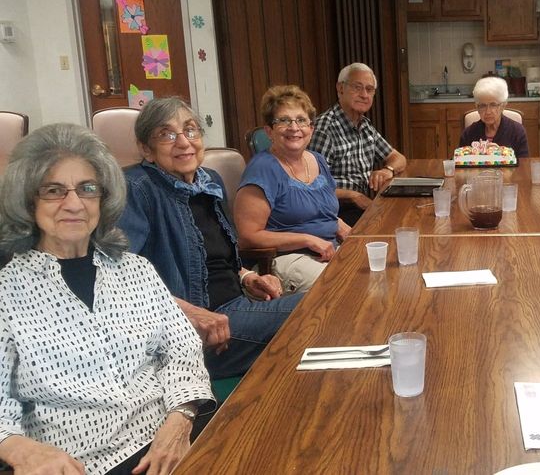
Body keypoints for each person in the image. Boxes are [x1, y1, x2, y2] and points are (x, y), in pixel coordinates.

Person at [0, 123, 213, 475]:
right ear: (28, 200)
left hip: (172, 441)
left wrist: (181, 418)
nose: (73, 203)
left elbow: (182, 352)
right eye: (53, 190)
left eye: (88, 189)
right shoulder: (7, 292)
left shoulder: (136, 270)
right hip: (85, 463)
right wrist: (21, 450)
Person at [119, 97, 302, 380]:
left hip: (236, 309)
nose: (184, 142)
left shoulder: (209, 182)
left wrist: (246, 277)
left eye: (190, 130)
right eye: (167, 134)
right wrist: (192, 314)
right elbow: (118, 280)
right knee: (317, 309)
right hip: (192, 330)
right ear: (146, 149)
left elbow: (213, 257)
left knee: (319, 321)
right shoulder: (136, 189)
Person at [235, 85, 349, 294]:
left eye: (301, 120)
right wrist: (307, 239)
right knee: (344, 289)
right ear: (269, 131)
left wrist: (338, 224)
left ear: (311, 128)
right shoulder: (263, 169)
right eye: (284, 120)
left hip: (328, 251)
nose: (294, 127)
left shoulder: (318, 160)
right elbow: (248, 237)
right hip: (286, 259)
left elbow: (321, 208)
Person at [308, 62, 408, 225]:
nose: (364, 94)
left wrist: (387, 170)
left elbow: (399, 158)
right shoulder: (325, 130)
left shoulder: (365, 125)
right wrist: (352, 196)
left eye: (369, 89)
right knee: (397, 224)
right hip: (333, 212)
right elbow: (311, 187)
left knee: (407, 214)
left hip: (360, 205)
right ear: (340, 88)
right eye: (357, 87)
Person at [459, 76, 529, 157]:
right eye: (482, 106)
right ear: (477, 107)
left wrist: (500, 154)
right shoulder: (468, 133)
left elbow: (524, 163)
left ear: (503, 106)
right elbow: (459, 161)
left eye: (493, 105)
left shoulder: (517, 131)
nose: (488, 111)